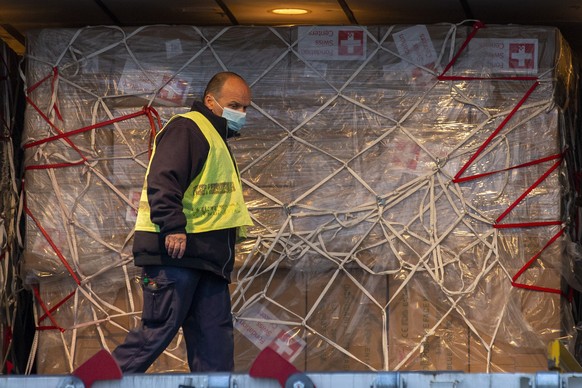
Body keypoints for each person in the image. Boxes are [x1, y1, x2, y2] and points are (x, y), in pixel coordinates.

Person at [112, 71, 254, 373]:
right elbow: (163, 180)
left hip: (207, 260)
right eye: (235, 105)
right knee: (155, 333)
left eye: (245, 108)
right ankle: (84, 384)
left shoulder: (214, 138)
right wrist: (173, 227)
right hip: (175, 254)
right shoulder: (189, 129)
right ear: (210, 101)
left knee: (214, 344)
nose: (241, 114)